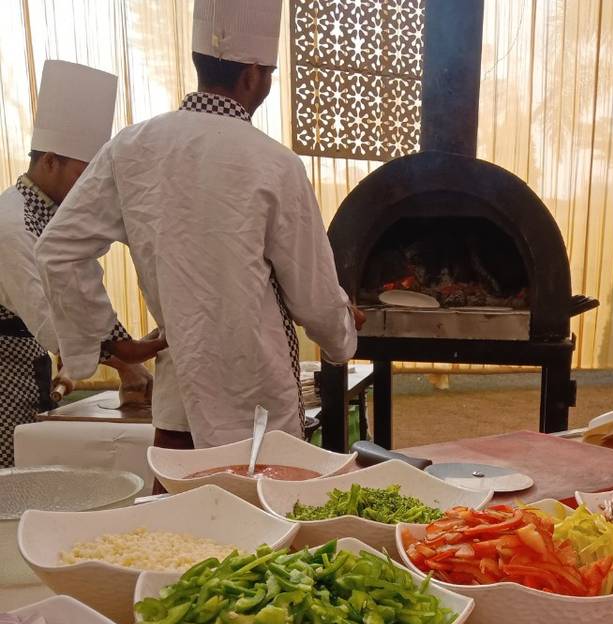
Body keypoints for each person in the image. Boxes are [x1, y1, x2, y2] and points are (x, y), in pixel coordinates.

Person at [36, 0, 361, 452]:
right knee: (265, 520)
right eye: (268, 73)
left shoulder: (130, 147)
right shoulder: (274, 163)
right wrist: (342, 335)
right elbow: (314, 296)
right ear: (252, 74)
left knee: (177, 520)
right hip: (258, 412)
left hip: (181, 406)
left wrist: (106, 340)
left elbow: (58, 250)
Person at [0, 60, 160, 467]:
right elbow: (53, 322)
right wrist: (128, 359)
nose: (92, 186)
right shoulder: (12, 224)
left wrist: (130, 353)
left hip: (27, 372)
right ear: (50, 161)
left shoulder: (55, 216)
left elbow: (84, 286)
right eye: (84, 174)